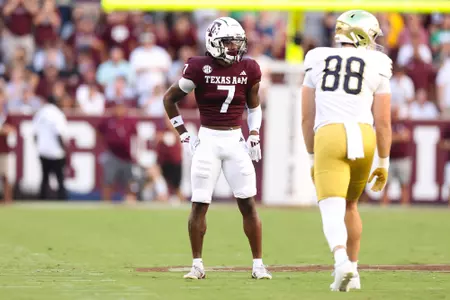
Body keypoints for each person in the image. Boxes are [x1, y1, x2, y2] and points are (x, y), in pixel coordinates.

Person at [163, 17, 271, 280]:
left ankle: (258, 264)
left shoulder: (249, 68)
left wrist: (254, 133)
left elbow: (253, 107)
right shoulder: (199, 67)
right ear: (213, 43)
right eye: (228, 42)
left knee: (248, 203)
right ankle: (197, 264)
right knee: (199, 204)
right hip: (208, 139)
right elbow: (169, 99)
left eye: (237, 42)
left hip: (235, 140)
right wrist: (184, 135)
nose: (234, 47)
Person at [302, 10, 392, 292]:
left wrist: (311, 156)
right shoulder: (378, 62)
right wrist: (384, 162)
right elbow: (384, 122)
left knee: (331, 206)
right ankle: (353, 271)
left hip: (329, 135)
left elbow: (306, 117)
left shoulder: (316, 57)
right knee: (351, 205)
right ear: (362, 34)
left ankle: (341, 261)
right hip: (363, 136)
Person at [32, 95, 68, 200]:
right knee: (60, 177)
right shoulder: (57, 114)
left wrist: (38, 146)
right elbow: (59, 133)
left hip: (43, 150)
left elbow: (35, 133)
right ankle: (61, 198)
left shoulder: (40, 113)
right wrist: (63, 148)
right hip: (56, 151)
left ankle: (42, 197)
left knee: (44, 177)